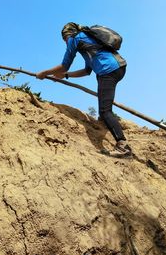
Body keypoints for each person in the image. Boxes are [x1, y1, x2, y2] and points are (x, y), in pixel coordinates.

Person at [36, 22, 132, 157]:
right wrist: (66, 76)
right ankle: (105, 123)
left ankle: (123, 146)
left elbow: (64, 66)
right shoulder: (87, 41)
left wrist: (44, 73)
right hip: (118, 68)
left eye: (65, 40)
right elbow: (87, 71)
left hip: (107, 70)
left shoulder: (75, 38)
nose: (66, 43)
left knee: (105, 111)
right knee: (104, 109)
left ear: (67, 35)